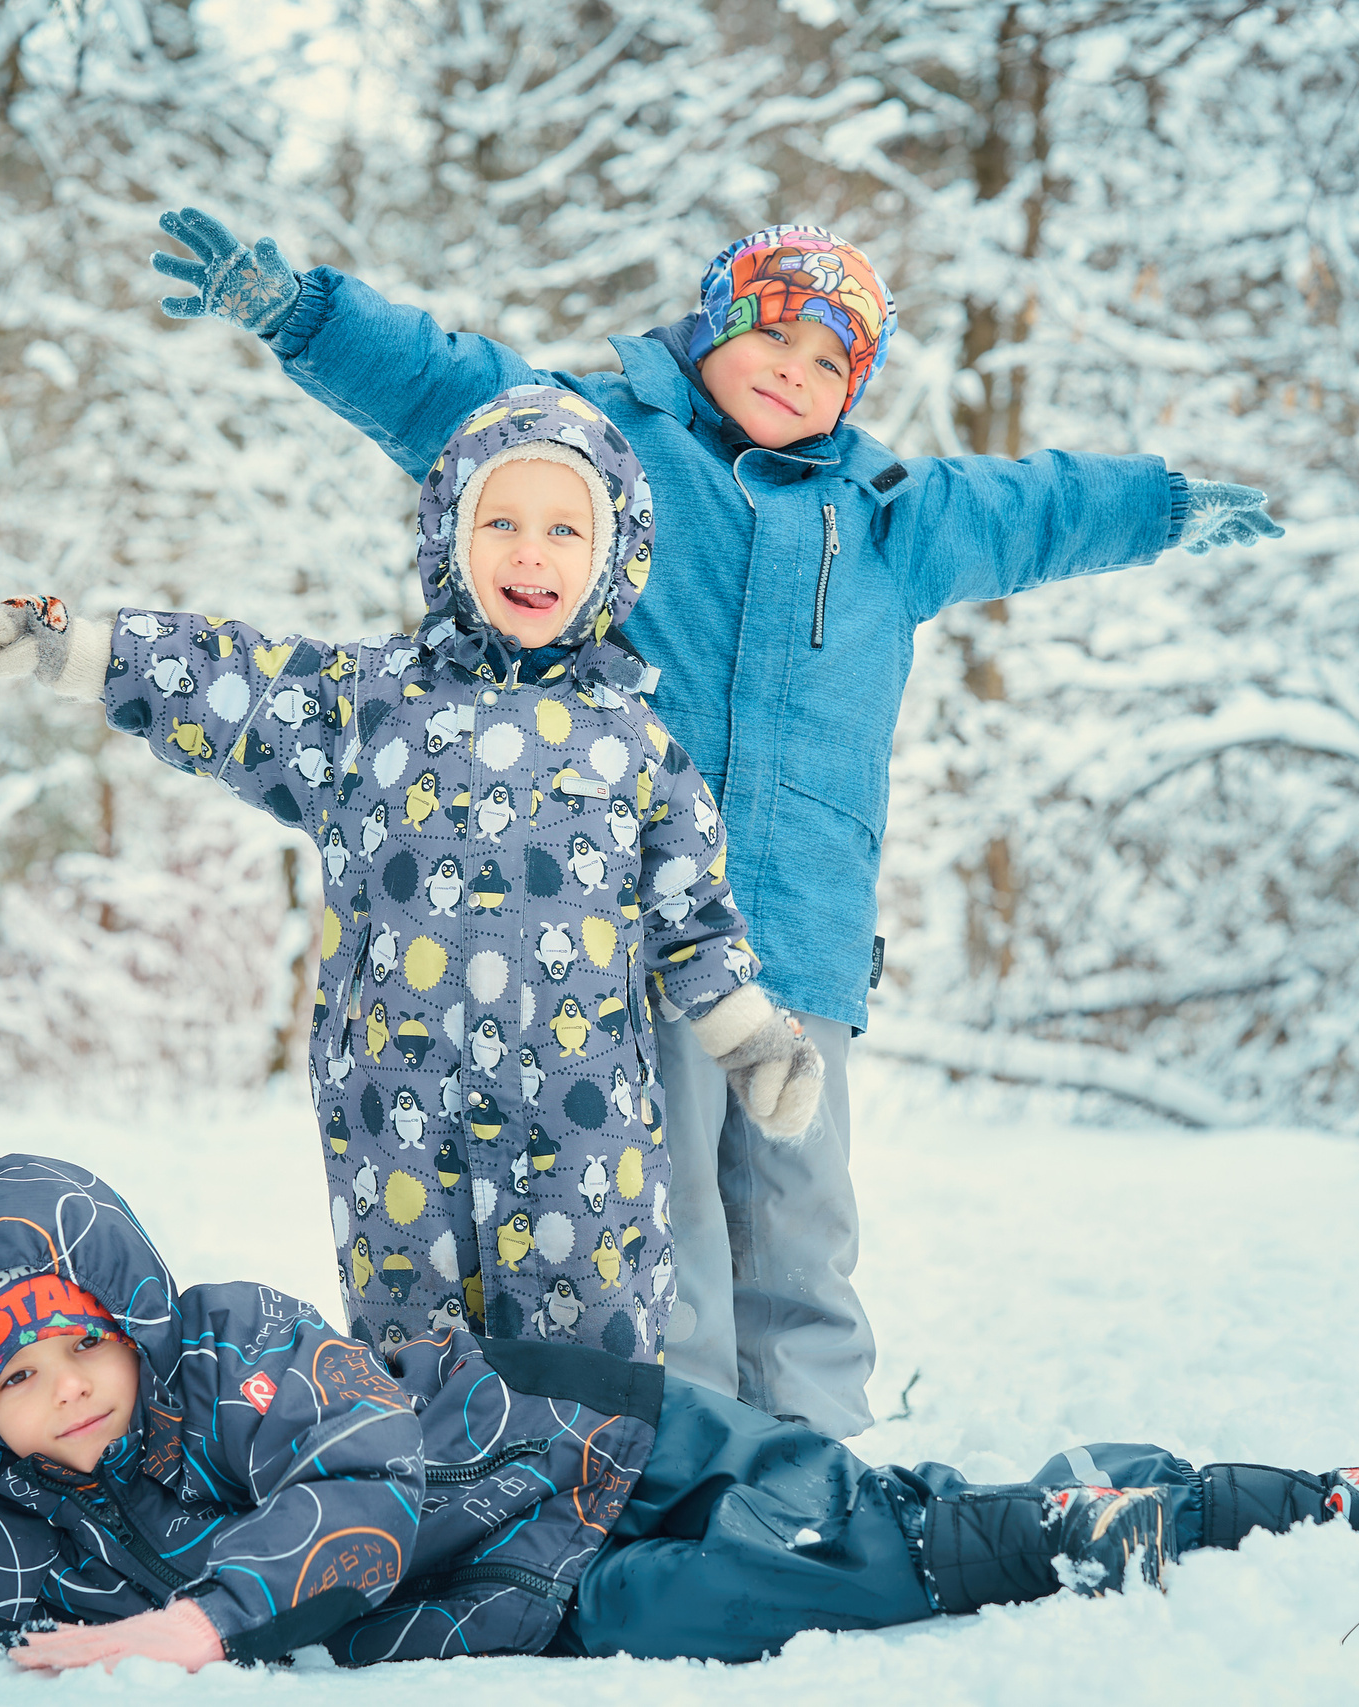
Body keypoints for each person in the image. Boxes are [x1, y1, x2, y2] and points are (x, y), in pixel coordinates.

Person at [147, 210, 1286, 1440]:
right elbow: (442, 385)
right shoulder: (605, 444)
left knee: (803, 1227)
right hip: (627, 938)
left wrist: (1159, 506)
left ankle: (814, 1465)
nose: (798, 370)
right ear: (710, 326)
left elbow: (1035, 508)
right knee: (661, 1221)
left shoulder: (892, 518)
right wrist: (302, 315)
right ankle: (674, 1467)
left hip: (801, 943)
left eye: (833, 359)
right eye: (775, 334)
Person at [0, 385, 825, 1361]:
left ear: (613, 558)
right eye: (501, 521)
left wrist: (753, 1042)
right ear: (451, 535)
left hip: (580, 1118)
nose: (530, 551)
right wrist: (79, 650)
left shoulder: (635, 747)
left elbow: (691, 915)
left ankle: (589, 1458)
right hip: (398, 1115)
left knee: (587, 1352)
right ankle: (415, 1451)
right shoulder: (366, 707)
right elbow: (235, 686)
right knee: (412, 1353)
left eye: (563, 529)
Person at [0, 1153, 1359, 1671]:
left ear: (130, 1314)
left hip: (589, 1433)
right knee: (823, 1570)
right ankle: (1070, 1519)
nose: (65, 1394)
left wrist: (199, 1622)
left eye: (76, 1346)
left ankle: (1255, 1501)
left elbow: (367, 1482)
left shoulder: (231, 1347)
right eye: (11, 1381)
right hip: (548, 1592)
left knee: (884, 1516)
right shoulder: (25, 1513)